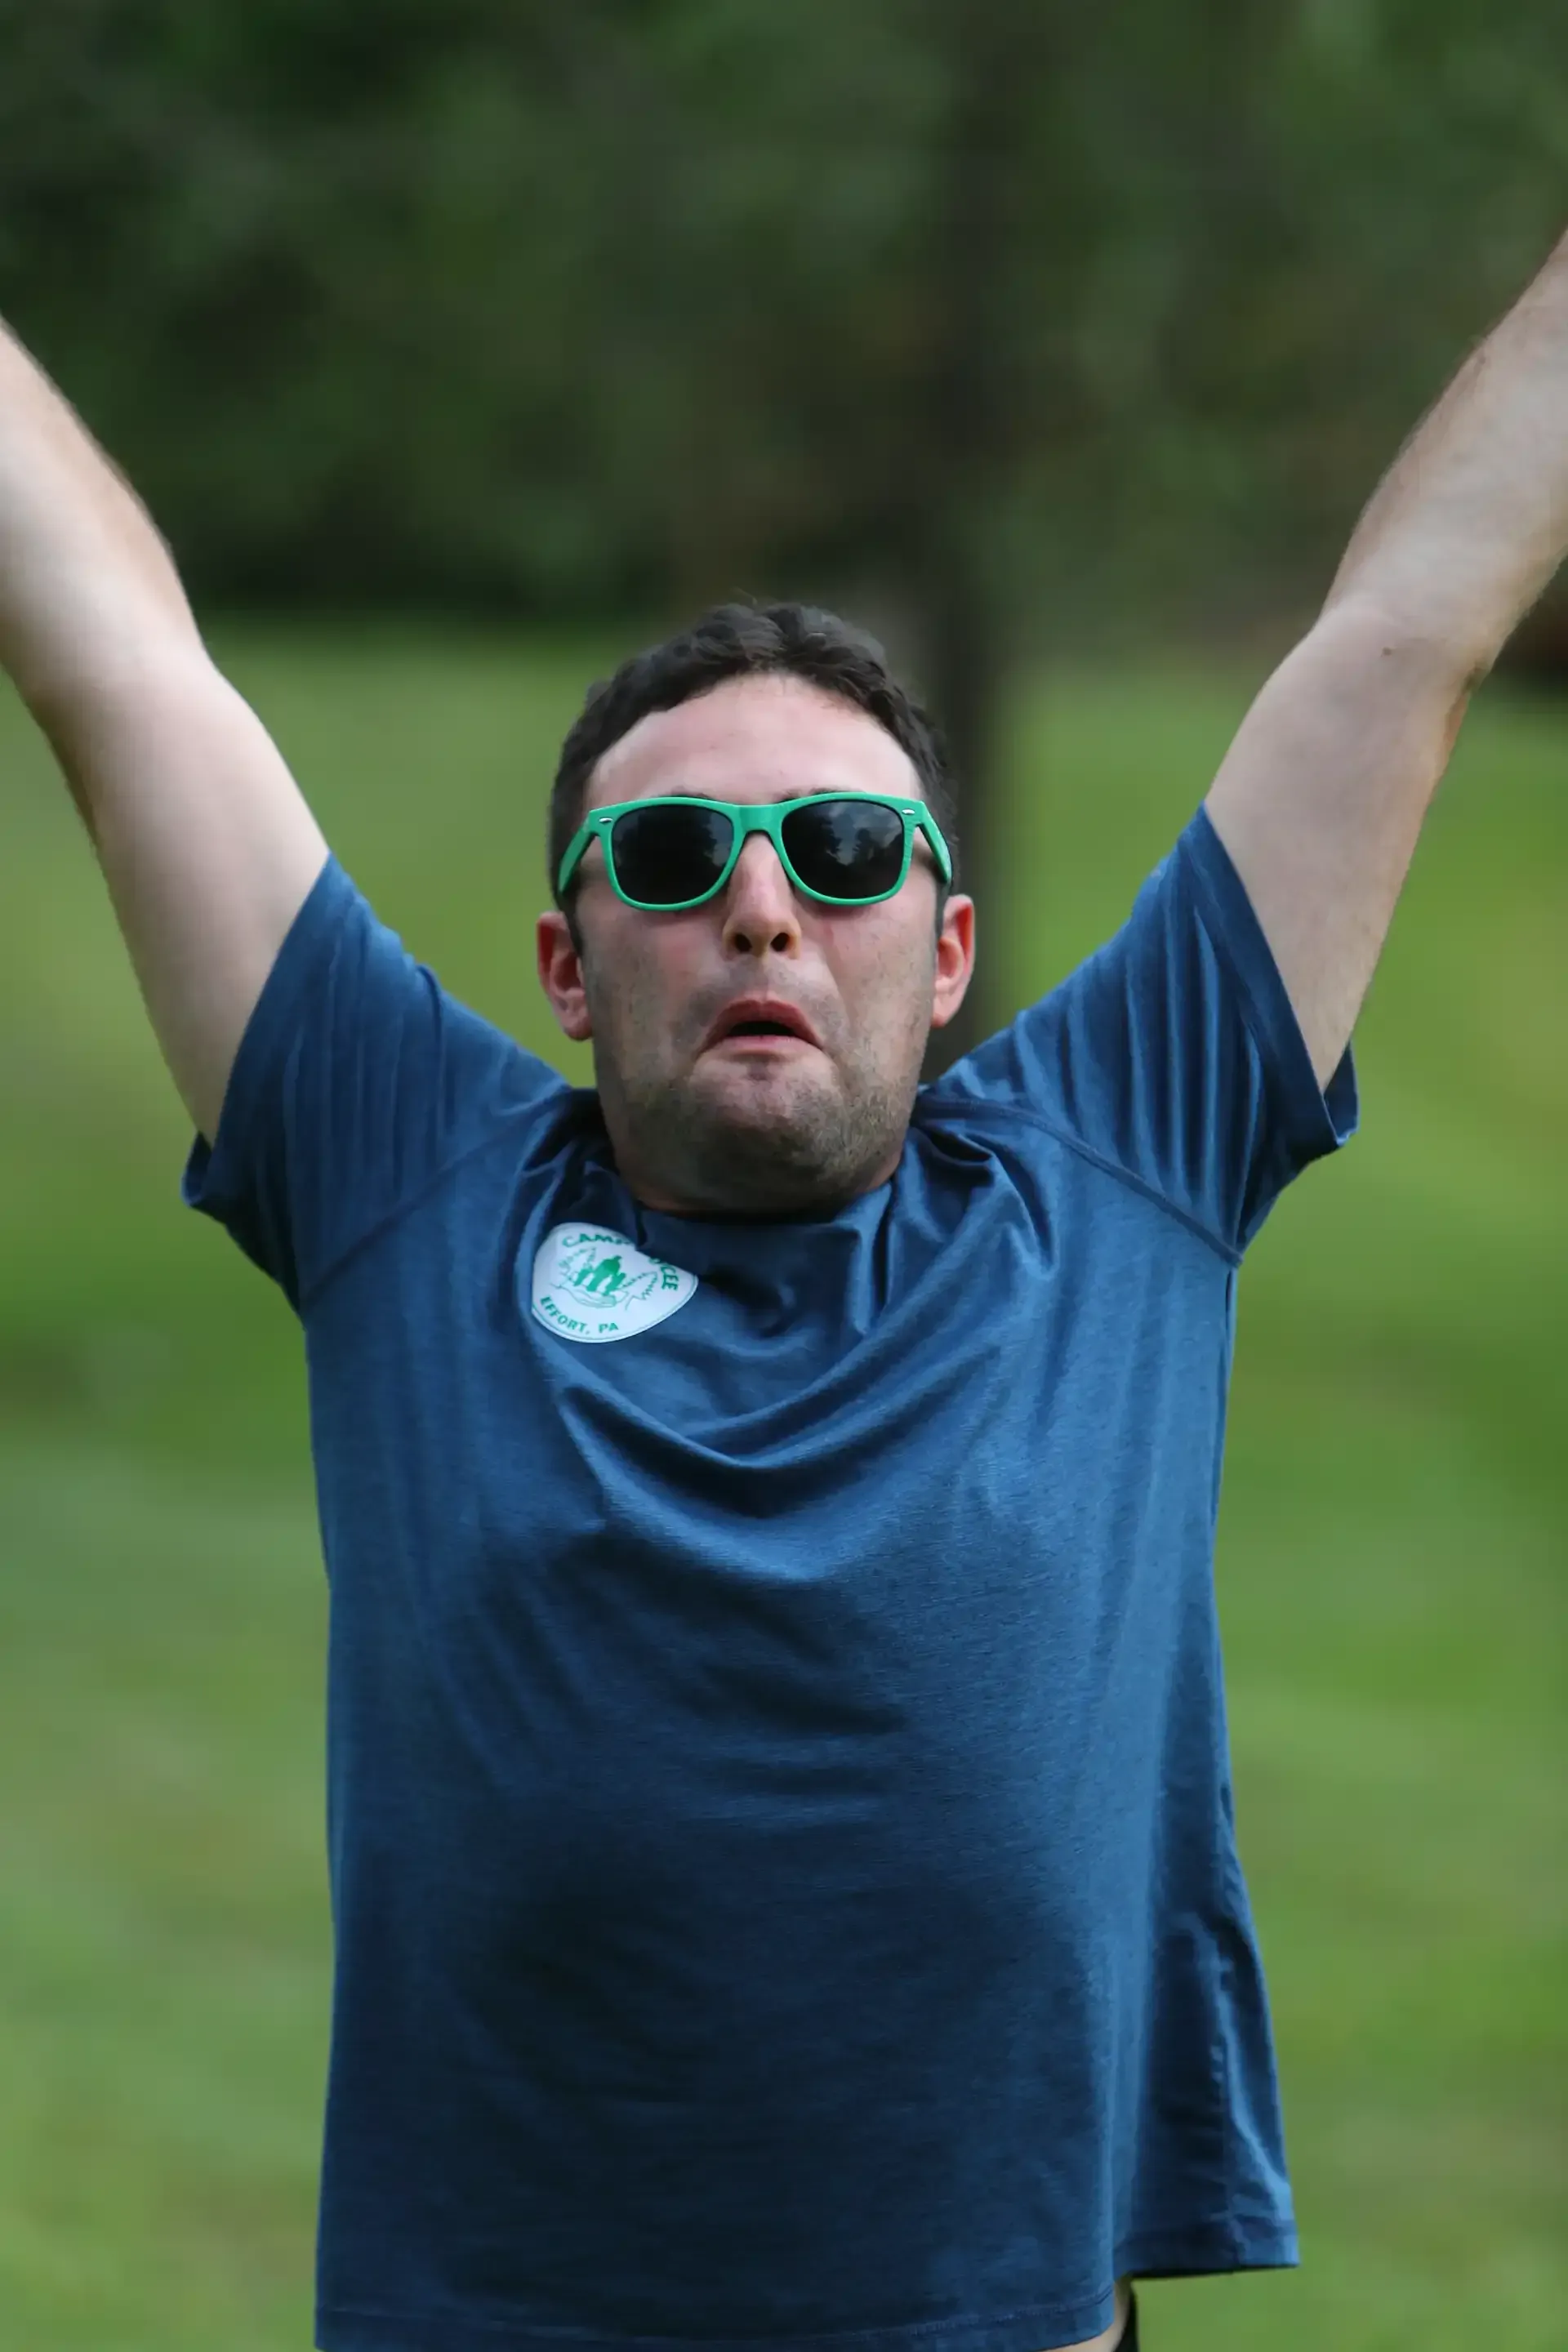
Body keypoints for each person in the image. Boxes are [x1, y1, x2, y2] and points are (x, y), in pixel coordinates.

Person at [1, 224, 1562, 2352]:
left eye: (841, 857)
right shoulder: (405, 1176)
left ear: (940, 953)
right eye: (670, 860)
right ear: (567, 965)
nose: (757, 902)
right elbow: (113, 655)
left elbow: (1411, 626)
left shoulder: (1120, 1161)